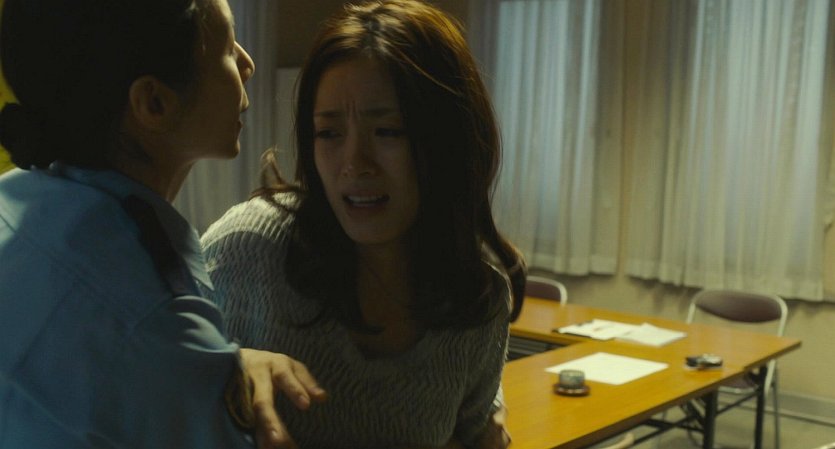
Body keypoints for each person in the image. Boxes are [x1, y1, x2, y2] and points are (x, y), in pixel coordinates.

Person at [200, 1, 526, 448]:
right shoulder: (250, 249)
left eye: (388, 131)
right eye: (329, 133)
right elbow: (137, 391)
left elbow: (476, 433)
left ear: (449, 140)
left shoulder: (477, 299)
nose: (354, 163)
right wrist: (229, 363)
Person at [0, 1, 324, 448]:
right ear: (154, 103)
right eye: (228, 48)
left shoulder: (15, 200)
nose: (247, 63)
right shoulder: (158, 323)